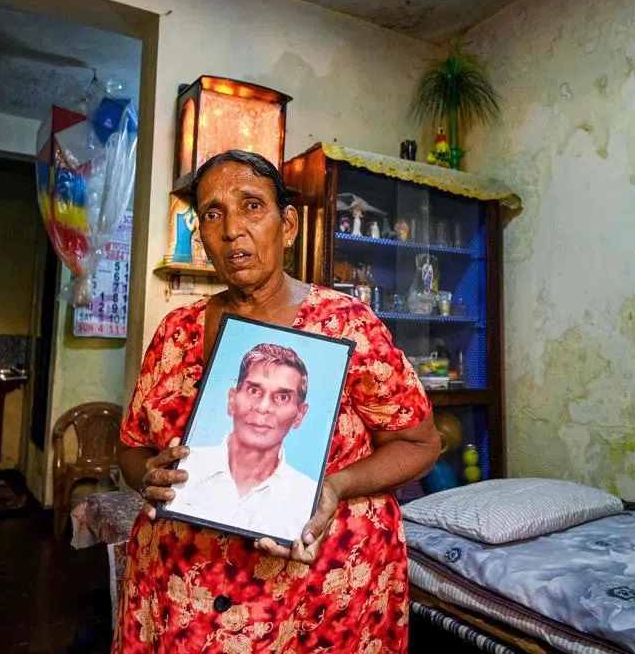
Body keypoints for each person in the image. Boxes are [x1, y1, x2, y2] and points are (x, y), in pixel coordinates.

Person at [115, 150, 441, 653]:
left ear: (286, 225)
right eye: (213, 213)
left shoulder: (346, 326)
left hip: (320, 597)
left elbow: (420, 443)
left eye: (251, 206)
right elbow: (132, 445)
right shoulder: (174, 332)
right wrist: (148, 477)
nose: (231, 231)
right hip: (181, 593)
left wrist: (335, 485)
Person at [168, 343, 318, 541]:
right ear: (232, 400)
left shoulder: (306, 497)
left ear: (299, 415)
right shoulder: (184, 469)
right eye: (254, 391)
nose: (263, 407)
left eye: (282, 397)